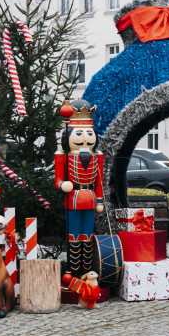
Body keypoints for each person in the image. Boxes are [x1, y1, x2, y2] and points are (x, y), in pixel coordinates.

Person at [54, 99, 104, 277]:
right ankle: (74, 271)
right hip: (73, 198)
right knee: (74, 235)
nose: (84, 138)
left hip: (89, 197)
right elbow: (58, 180)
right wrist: (62, 185)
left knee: (88, 235)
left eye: (89, 133)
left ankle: (87, 270)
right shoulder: (63, 156)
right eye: (80, 133)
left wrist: (99, 200)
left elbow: (99, 180)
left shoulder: (97, 156)